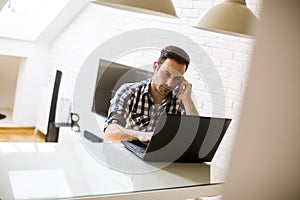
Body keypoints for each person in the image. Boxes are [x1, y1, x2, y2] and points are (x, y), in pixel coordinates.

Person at [104, 46, 199, 142]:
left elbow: (195, 136)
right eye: (166, 74)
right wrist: (142, 135)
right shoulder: (129, 92)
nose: (170, 83)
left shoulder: (180, 101)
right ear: (155, 67)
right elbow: (111, 132)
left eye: (177, 78)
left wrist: (187, 100)